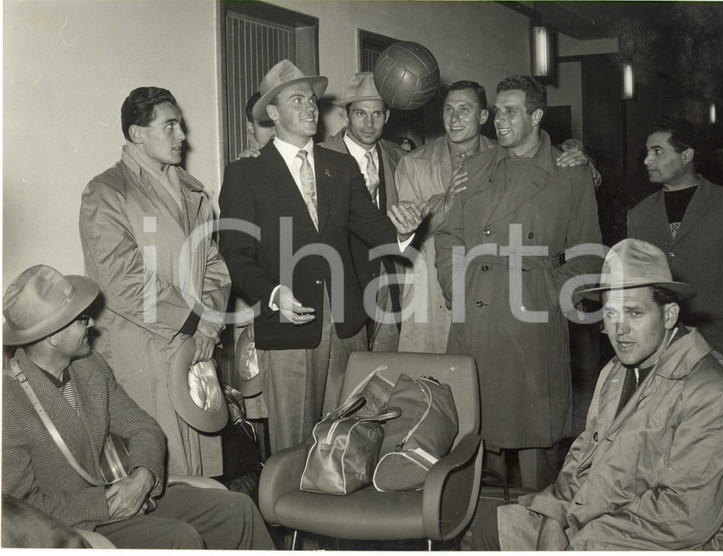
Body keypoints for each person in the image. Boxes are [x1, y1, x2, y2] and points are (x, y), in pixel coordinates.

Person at [472, 239, 723, 551]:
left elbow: (686, 517)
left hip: (691, 542)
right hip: (608, 517)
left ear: (670, 315)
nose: (619, 329)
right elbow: (583, 459)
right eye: (611, 313)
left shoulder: (716, 394)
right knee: (490, 529)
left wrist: (576, 540)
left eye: (634, 312)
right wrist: (554, 518)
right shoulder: (617, 371)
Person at [218, 60, 422, 454]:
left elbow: (375, 232)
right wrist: (273, 294)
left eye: (312, 99)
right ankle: (290, 515)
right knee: (295, 443)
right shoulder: (246, 175)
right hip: (289, 323)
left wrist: (405, 228)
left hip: (348, 323)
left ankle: (340, 514)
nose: (311, 107)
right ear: (273, 113)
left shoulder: (340, 167)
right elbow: (236, 254)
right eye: (298, 100)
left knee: (349, 437)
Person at [1, 265, 274, 549]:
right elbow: (19, 508)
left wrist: (143, 477)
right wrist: (106, 502)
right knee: (180, 538)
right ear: (53, 336)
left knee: (238, 509)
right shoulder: (9, 401)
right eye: (81, 319)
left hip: (126, 495)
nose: (92, 324)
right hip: (75, 525)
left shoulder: (89, 368)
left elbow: (143, 426)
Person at [435, 75, 602, 490]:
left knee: (535, 448)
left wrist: (549, 294)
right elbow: (450, 235)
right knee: (472, 440)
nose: (499, 121)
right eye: (499, 110)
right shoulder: (473, 167)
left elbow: (587, 253)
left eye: (511, 111)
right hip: (475, 314)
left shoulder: (570, 173)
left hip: (532, 319)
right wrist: (457, 285)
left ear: (537, 115)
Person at [79, 87, 231, 476]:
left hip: (196, 345)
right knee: (161, 474)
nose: (182, 136)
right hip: (143, 349)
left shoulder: (192, 191)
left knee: (204, 476)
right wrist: (196, 321)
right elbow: (122, 281)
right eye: (170, 125)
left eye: (180, 124)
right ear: (137, 133)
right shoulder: (108, 192)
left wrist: (209, 328)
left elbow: (215, 267)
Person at [396, 80, 597, 354]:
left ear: (482, 116)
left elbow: (584, 241)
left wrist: (550, 295)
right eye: (448, 110)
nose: (454, 119)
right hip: (443, 292)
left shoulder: (510, 154)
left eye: (464, 110)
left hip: (522, 305)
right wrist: (457, 286)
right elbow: (422, 235)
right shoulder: (427, 164)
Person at [627, 119, 723, 375]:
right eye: (647, 152)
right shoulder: (639, 215)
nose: (647, 161)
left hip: (721, 345)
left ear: (686, 155)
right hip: (661, 347)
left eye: (657, 151)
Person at [321, 71, 407, 352]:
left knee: (385, 367)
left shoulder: (400, 157)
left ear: (388, 116)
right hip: (342, 282)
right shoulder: (320, 156)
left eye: (377, 115)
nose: (369, 124)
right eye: (360, 114)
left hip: (387, 277)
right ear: (346, 115)